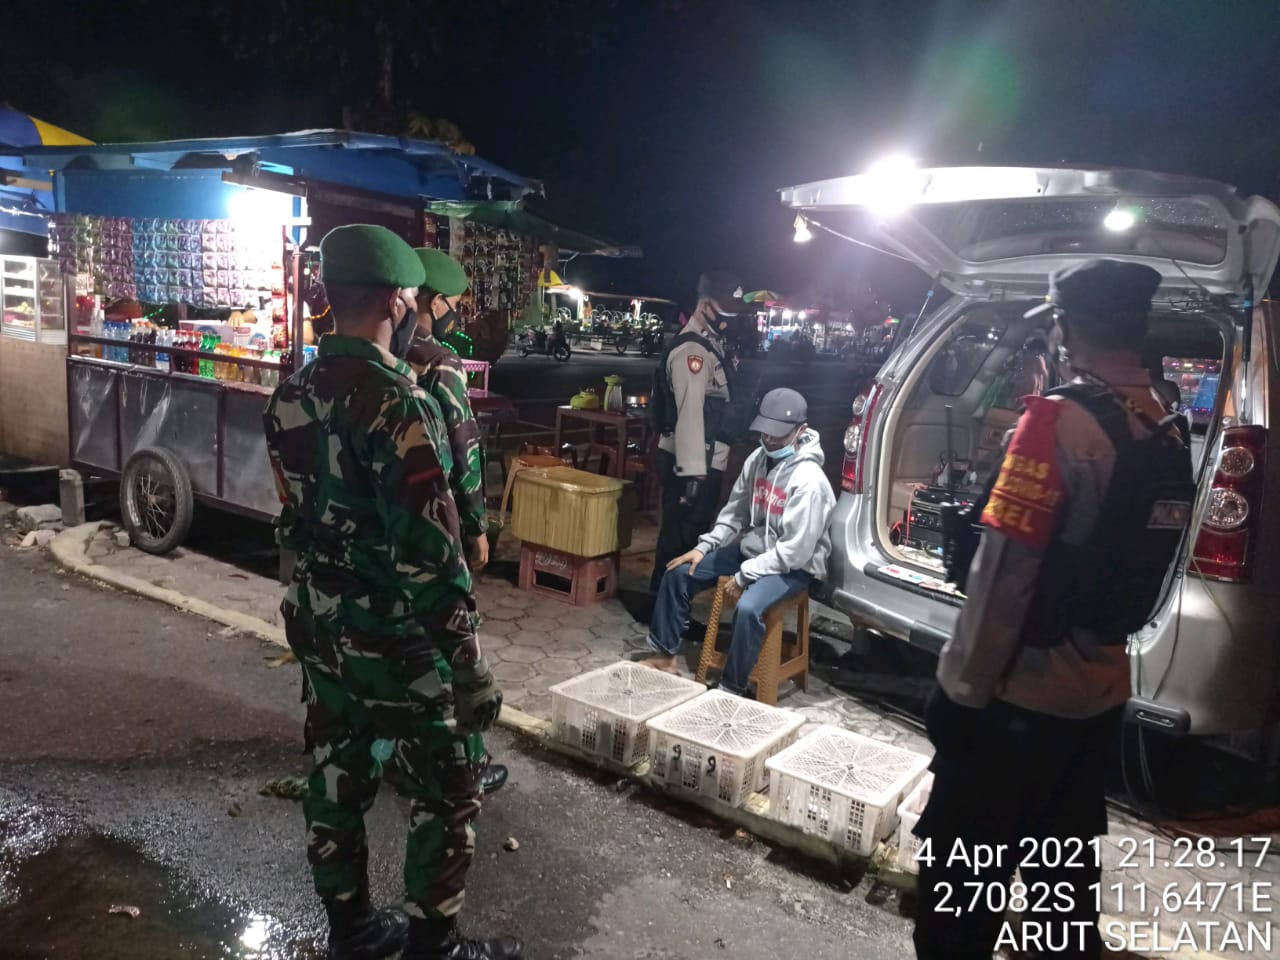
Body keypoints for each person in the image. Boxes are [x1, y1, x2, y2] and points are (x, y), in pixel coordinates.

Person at [914, 260, 1192, 960]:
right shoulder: (1165, 425)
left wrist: (960, 691)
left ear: (1066, 327)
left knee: (956, 905)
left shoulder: (1054, 423)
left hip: (1018, 702)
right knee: (1059, 904)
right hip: (1099, 697)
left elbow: (1003, 577)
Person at [263, 224, 520, 960]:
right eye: (408, 296)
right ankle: (434, 947)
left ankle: (351, 933)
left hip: (320, 624)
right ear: (393, 302)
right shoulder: (398, 403)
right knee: (449, 785)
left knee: (337, 775)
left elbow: (294, 516)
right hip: (395, 636)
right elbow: (429, 553)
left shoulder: (290, 394)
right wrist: (468, 665)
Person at [642, 388, 835, 695]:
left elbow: (795, 552)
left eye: (778, 435)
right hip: (755, 550)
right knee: (678, 573)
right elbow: (734, 513)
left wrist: (745, 575)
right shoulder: (757, 459)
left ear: (801, 430)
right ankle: (665, 657)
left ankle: (732, 687)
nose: (769, 440)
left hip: (795, 566)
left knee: (748, 607)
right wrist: (703, 547)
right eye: (765, 433)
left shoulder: (810, 482)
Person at [406, 248, 508, 799]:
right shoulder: (440, 362)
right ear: (433, 301)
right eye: (452, 303)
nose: (456, 314)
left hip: (389, 528)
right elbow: (464, 446)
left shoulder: (385, 354)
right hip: (436, 524)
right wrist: (477, 525)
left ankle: (400, 749)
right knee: (453, 642)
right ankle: (466, 764)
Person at [649, 271, 746, 594]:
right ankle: (663, 609)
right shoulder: (692, 351)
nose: (731, 318)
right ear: (705, 306)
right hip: (692, 462)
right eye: (725, 310)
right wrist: (692, 480)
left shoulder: (710, 345)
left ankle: (671, 607)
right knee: (679, 539)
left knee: (690, 537)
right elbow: (690, 414)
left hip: (704, 459)